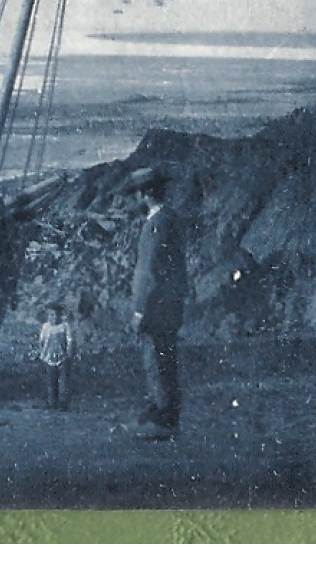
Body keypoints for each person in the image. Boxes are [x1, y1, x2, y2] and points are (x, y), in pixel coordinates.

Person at [128, 168, 187, 440]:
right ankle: (164, 411)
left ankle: (164, 419)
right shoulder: (171, 218)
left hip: (156, 306)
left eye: (137, 194)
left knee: (156, 360)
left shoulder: (155, 224)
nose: (135, 199)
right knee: (167, 358)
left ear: (146, 194)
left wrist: (139, 309)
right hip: (171, 303)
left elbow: (148, 272)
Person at [38, 303, 74, 411]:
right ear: (48, 316)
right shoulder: (46, 327)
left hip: (62, 357)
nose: (54, 318)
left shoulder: (64, 326)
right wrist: (42, 353)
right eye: (51, 315)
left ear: (61, 315)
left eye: (57, 315)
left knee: (63, 382)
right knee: (51, 381)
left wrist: (69, 353)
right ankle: (51, 403)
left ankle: (63, 403)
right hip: (49, 357)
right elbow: (42, 341)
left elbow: (69, 340)